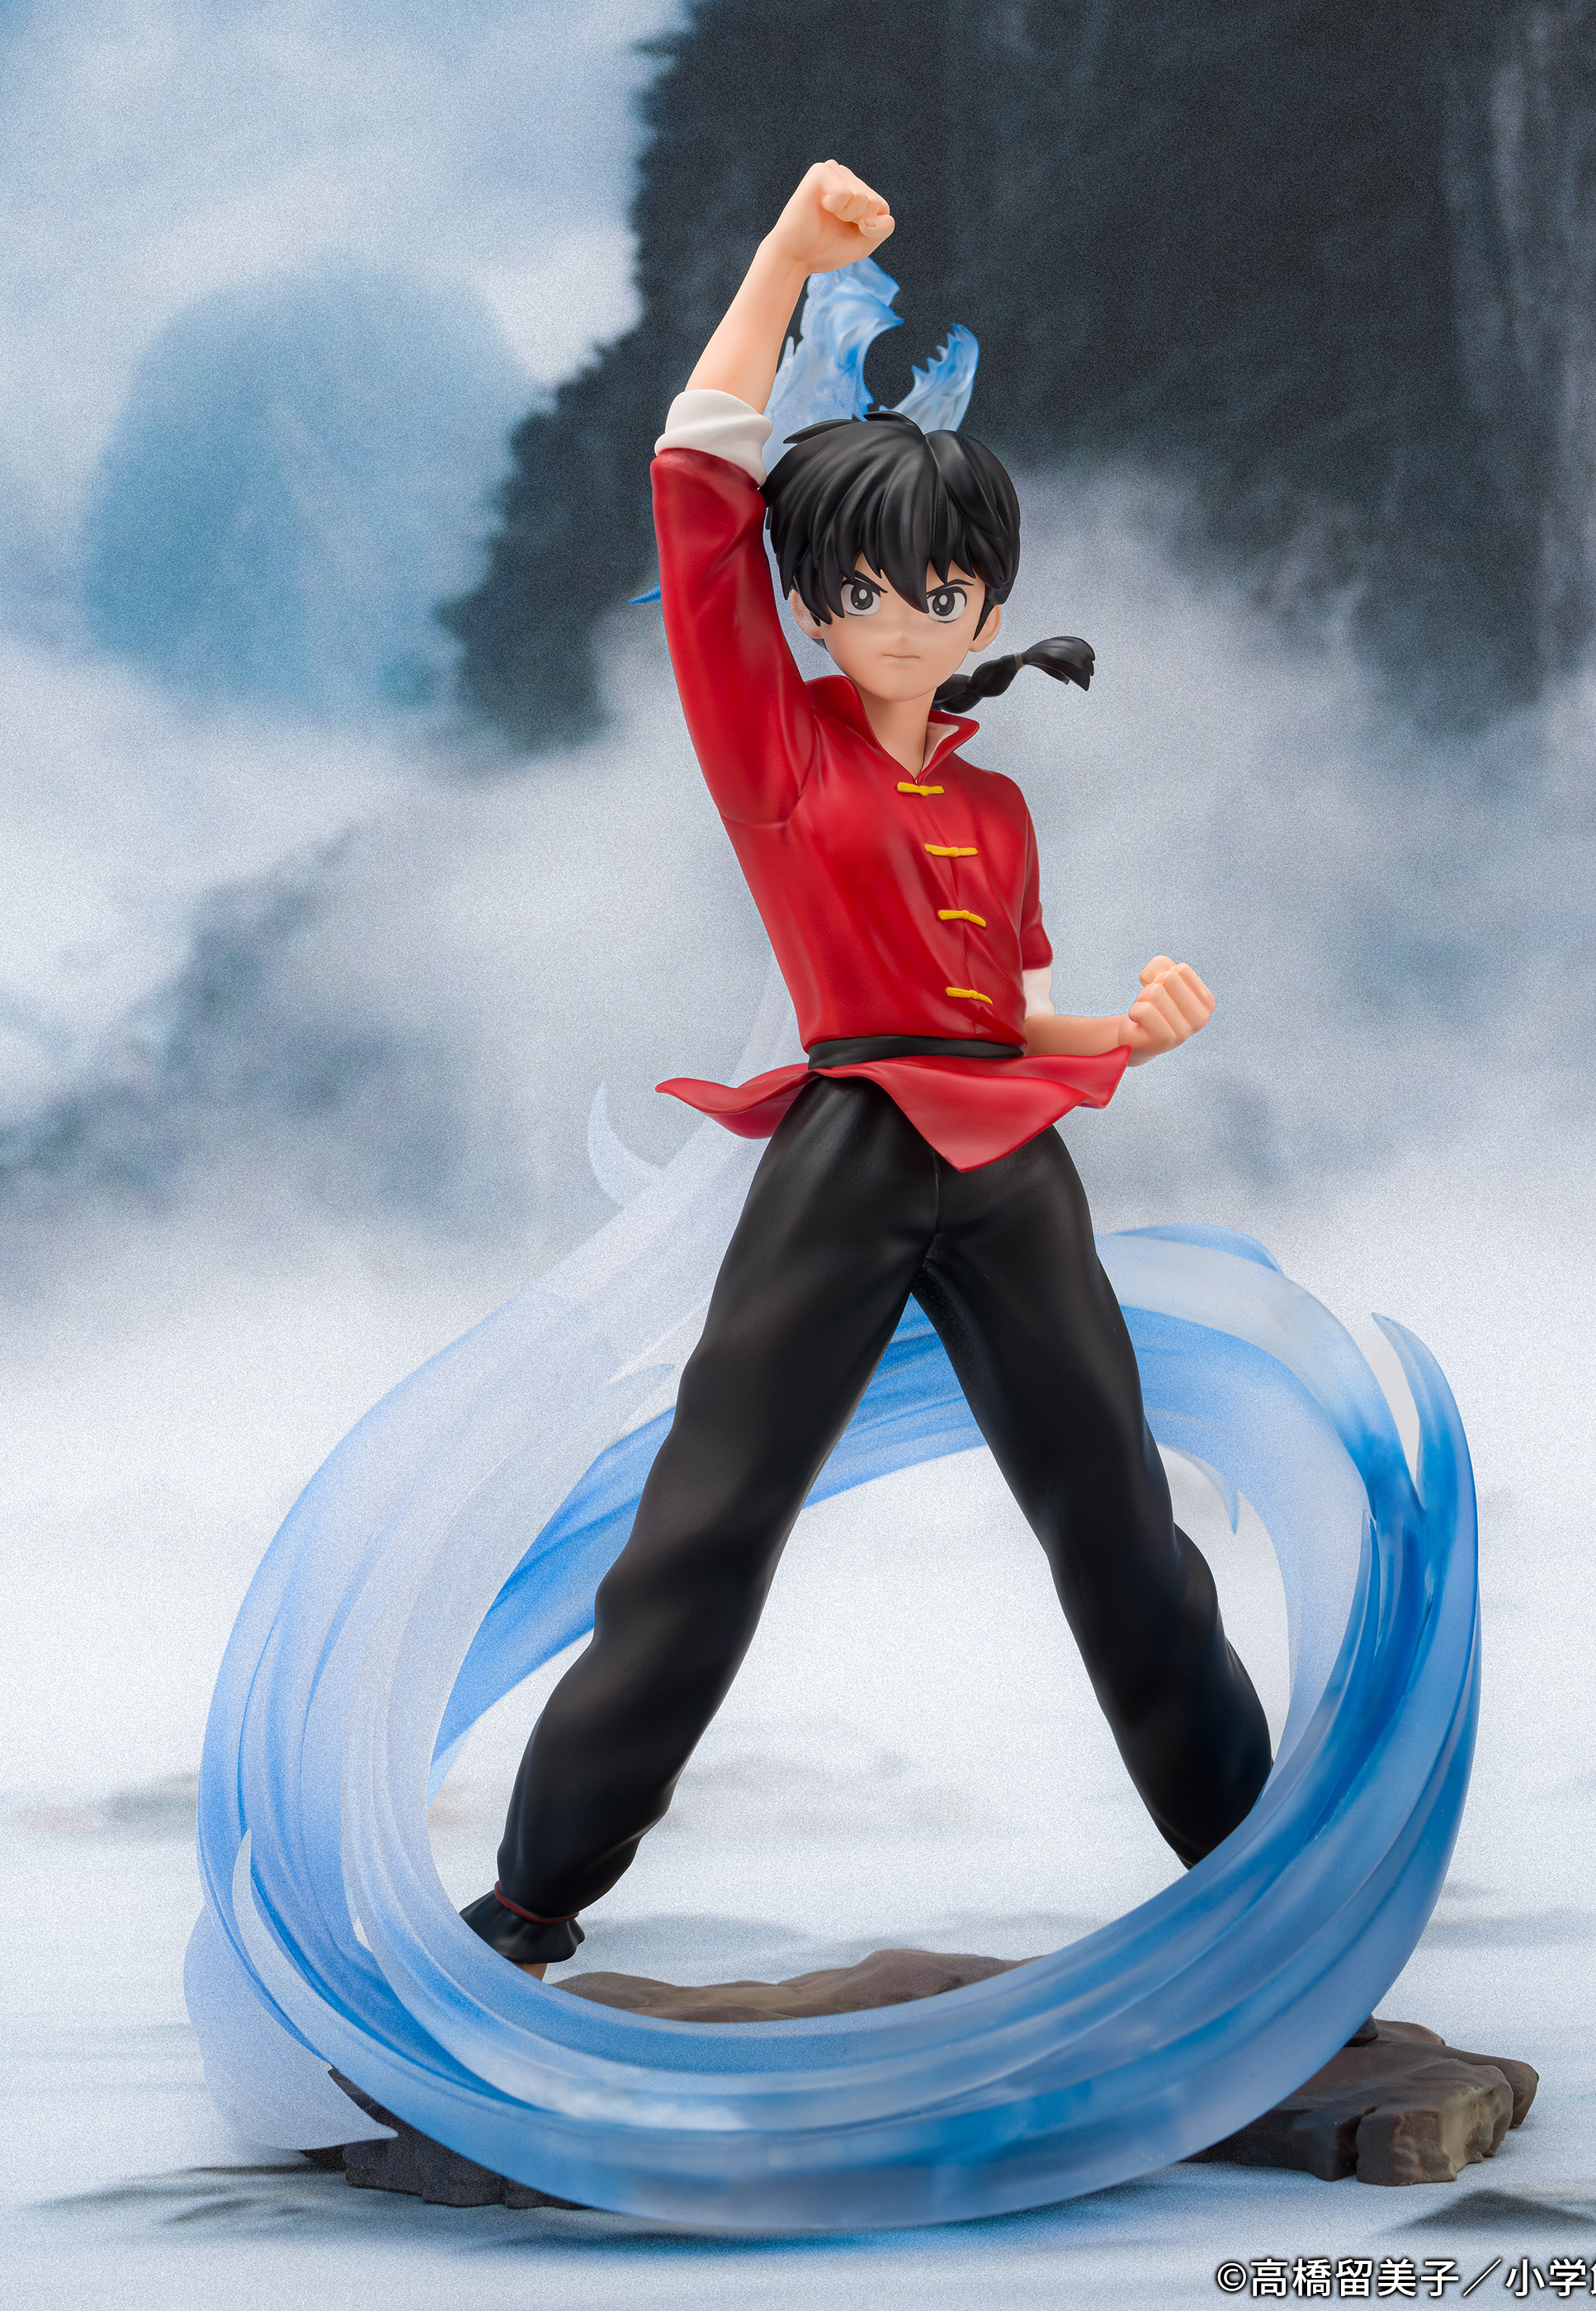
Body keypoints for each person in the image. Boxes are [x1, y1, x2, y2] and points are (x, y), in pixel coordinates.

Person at [463, 162, 1272, 1974]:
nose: (907, 617)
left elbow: (1004, 1018)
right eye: (866, 589)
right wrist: (781, 260)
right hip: (842, 1153)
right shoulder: (778, 746)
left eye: (945, 588)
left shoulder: (994, 805)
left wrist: (1127, 1033)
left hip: (1011, 1166)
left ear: (987, 604)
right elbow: (696, 486)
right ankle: (528, 1902)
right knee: (710, 1525)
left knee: (1120, 1524)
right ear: (818, 603)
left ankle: (1257, 1882)